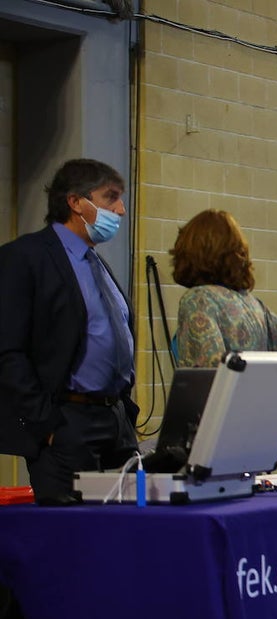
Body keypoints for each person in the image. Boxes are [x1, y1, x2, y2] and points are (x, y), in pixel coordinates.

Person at [0, 159, 138, 505]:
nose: (120, 210)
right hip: (66, 424)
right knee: (76, 539)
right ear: (75, 202)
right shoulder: (25, 257)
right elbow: (7, 350)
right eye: (111, 198)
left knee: (128, 534)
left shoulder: (96, 263)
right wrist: (45, 423)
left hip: (115, 422)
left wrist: (126, 411)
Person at [171, 209, 277, 432]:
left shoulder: (199, 300)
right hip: (252, 433)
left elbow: (209, 370)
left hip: (214, 436)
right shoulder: (253, 305)